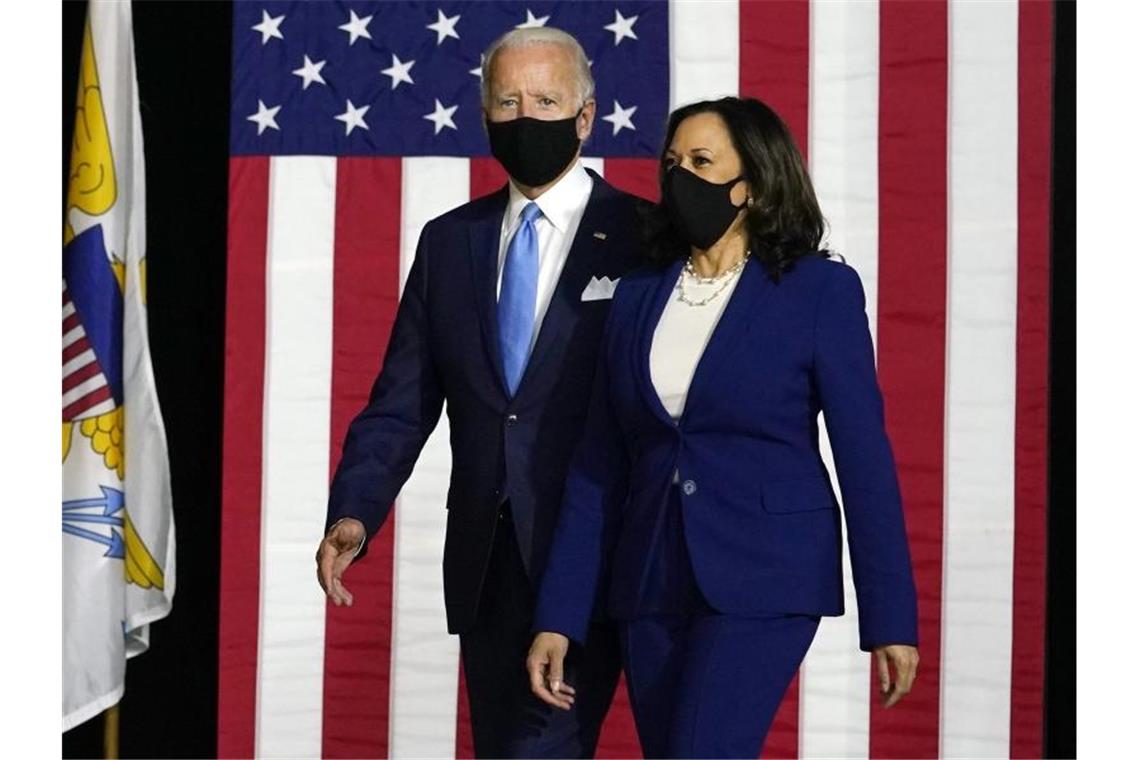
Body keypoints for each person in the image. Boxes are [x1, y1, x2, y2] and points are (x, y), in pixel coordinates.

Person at [526, 97, 921, 758]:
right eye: (673, 162)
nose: (681, 177)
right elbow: (598, 468)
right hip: (650, 579)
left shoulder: (818, 291)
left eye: (702, 161)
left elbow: (865, 460)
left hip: (765, 576)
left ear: (753, 184)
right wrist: (559, 617)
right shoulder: (635, 296)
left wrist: (891, 618)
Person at [315, 27, 647, 758]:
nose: (527, 116)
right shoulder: (447, 243)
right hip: (492, 565)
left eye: (547, 100)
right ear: (485, 116)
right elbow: (401, 402)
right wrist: (354, 514)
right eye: (509, 101)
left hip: (609, 556)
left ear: (586, 118)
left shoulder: (643, 237)